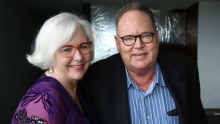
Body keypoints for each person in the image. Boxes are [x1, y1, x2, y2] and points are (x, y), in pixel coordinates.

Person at [78, 2, 208, 124]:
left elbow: (197, 119)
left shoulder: (186, 68)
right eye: (128, 38)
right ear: (118, 43)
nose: (138, 45)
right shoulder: (94, 79)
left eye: (146, 35)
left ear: (156, 38)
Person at [11, 12, 94, 124]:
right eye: (67, 49)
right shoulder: (42, 102)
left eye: (84, 46)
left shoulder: (78, 88)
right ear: (49, 53)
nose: (79, 57)